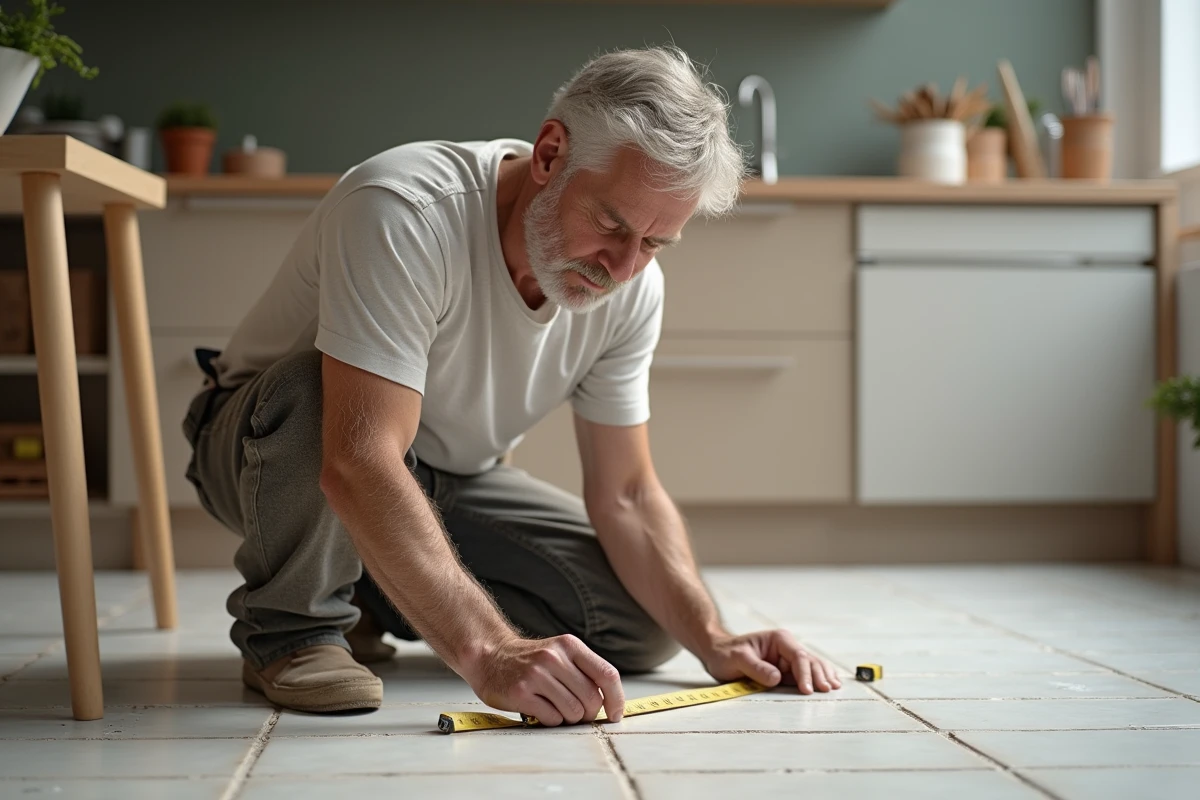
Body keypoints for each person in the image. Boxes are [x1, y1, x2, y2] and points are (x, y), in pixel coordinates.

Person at [182, 45, 841, 725]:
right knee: (319, 394)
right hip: (270, 447)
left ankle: (369, 588)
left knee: (636, 628)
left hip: (446, 475)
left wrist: (715, 636)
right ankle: (293, 633)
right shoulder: (405, 209)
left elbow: (628, 493)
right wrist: (489, 650)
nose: (620, 267)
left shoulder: (632, 291)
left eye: (653, 244)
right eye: (611, 224)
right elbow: (360, 458)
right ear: (551, 152)